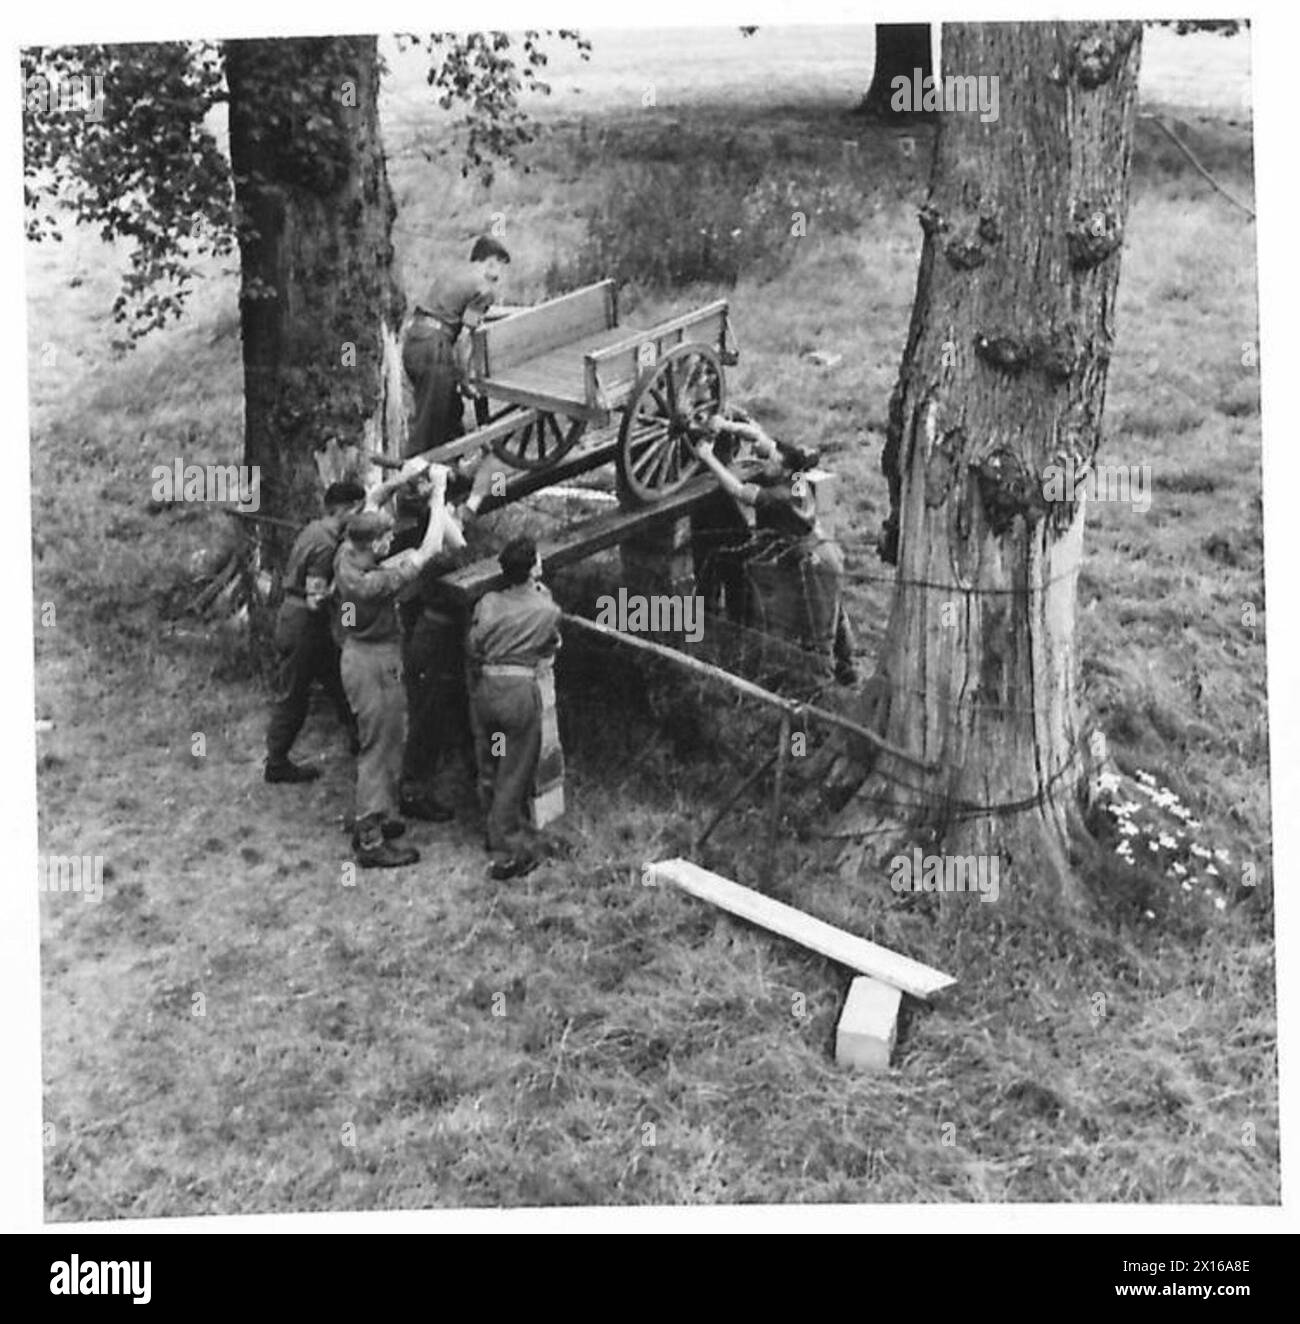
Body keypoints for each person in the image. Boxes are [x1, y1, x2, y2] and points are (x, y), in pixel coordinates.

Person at [334, 466, 459, 868]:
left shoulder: (346, 554)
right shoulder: (376, 583)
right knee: (381, 747)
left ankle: (381, 813)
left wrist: (401, 481)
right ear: (375, 544)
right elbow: (431, 547)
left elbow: (370, 502)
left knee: (386, 740)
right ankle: (370, 839)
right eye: (386, 537)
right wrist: (438, 492)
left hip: (358, 655)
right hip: (375, 662)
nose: (392, 540)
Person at [694, 417, 858, 686]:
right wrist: (726, 425)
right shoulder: (794, 474)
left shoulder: (781, 496)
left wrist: (708, 457)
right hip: (826, 549)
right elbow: (759, 435)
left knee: (819, 629)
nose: (765, 460)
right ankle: (848, 668)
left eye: (771, 460)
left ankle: (819, 686)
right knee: (835, 613)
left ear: (783, 469)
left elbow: (737, 489)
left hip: (813, 563)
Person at [467, 536, 563, 881]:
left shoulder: (488, 601)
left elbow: (474, 644)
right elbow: (550, 644)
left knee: (493, 757)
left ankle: (492, 829)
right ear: (534, 567)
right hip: (517, 696)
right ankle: (508, 849)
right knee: (515, 768)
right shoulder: (546, 609)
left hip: (486, 693)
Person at [264, 480, 366, 783]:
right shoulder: (325, 544)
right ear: (346, 509)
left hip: (304, 624)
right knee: (294, 695)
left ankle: (359, 738)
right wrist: (345, 582)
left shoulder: (315, 529)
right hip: (304, 624)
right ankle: (276, 762)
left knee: (339, 681)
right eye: (358, 511)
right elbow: (315, 598)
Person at [402, 235, 511, 459]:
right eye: (501, 264)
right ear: (490, 262)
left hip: (413, 342)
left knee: (451, 411)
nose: (500, 274)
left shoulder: (452, 274)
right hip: (435, 348)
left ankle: (451, 468)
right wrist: (463, 378)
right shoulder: (484, 289)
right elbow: (464, 338)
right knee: (430, 424)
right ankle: (409, 483)